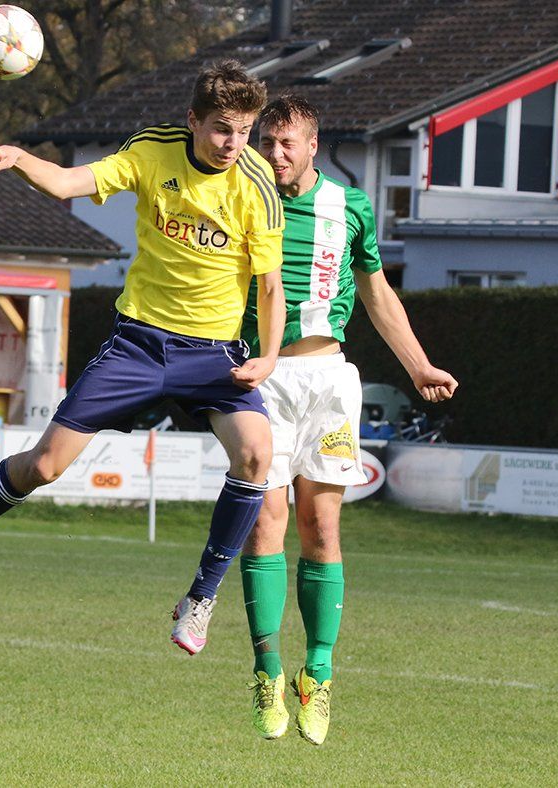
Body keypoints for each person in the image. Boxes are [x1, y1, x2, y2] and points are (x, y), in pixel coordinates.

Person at [0, 60, 286, 656]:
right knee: (45, 466)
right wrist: (19, 157)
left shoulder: (257, 185)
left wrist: (269, 356)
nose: (233, 143)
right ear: (193, 120)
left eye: (243, 131)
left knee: (257, 453)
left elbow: (270, 287)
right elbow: (66, 183)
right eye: (220, 128)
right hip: (139, 343)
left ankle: (201, 598)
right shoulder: (153, 150)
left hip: (213, 353)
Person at [238, 94, 458, 741]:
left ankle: (319, 675)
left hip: (330, 381)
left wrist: (419, 365)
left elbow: (377, 294)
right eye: (266, 142)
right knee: (266, 522)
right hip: (262, 379)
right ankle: (267, 671)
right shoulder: (244, 198)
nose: (274, 154)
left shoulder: (350, 206)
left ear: (313, 145)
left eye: (286, 143)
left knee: (322, 527)